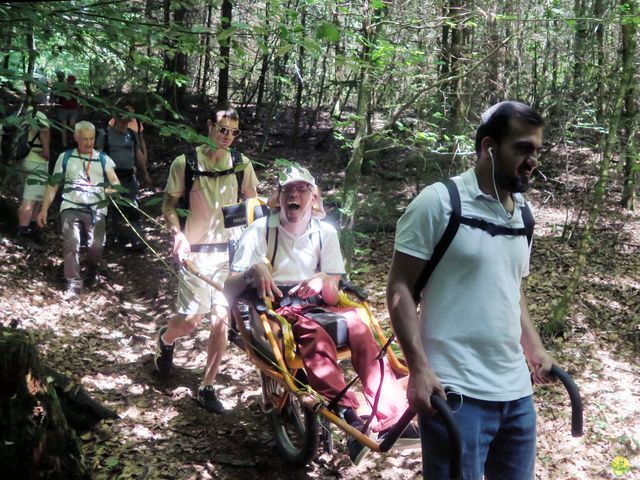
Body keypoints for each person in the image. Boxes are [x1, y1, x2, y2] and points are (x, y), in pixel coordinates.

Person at [386, 101, 556, 480]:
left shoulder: (522, 214)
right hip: (456, 394)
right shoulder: (438, 203)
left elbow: (511, 291)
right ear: (488, 148)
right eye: (523, 148)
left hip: (516, 395)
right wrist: (418, 369)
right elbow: (399, 287)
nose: (533, 161)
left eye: (537, 151)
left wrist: (535, 349)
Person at [224, 164, 420, 465]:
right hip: (277, 309)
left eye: (301, 189)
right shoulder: (259, 231)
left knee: (358, 320)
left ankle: (392, 417)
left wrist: (323, 280)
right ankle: (349, 415)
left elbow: (333, 286)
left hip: (319, 305)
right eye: (288, 189)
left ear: (313, 197)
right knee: (313, 334)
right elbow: (229, 288)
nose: (294, 195)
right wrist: (252, 270)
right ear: (279, 196)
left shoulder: (324, 232)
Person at [154, 106, 259, 414]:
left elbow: (252, 204)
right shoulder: (184, 163)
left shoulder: (241, 164)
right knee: (189, 321)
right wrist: (178, 235)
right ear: (210, 126)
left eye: (233, 132)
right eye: (222, 129)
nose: (227, 137)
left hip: (228, 255)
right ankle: (165, 338)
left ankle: (207, 386)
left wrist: (248, 239)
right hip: (195, 256)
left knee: (222, 317)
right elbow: (169, 205)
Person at [37, 121, 120, 299]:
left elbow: (115, 182)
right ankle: (73, 283)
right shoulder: (65, 157)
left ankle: (92, 269)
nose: (88, 143)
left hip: (96, 208)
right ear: (75, 137)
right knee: (71, 244)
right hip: (70, 205)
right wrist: (44, 209)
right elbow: (53, 185)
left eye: (91, 139)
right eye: (84, 139)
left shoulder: (103, 158)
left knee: (96, 245)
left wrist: (112, 190)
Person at [96, 99, 151, 250]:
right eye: (121, 121)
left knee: (133, 207)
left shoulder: (132, 135)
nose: (124, 124)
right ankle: (107, 238)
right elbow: (98, 155)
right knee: (109, 208)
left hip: (128, 176)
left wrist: (145, 172)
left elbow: (137, 153)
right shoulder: (105, 134)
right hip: (110, 176)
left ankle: (137, 240)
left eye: (127, 121)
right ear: (115, 119)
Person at [16, 103, 50, 250]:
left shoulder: (18, 114)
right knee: (31, 200)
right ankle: (24, 234)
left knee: (32, 197)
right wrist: (47, 151)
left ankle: (31, 230)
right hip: (36, 162)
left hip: (21, 161)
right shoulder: (39, 115)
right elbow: (44, 130)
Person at [57, 74, 80, 148]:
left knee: (72, 126)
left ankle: (72, 140)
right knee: (64, 127)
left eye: (73, 81)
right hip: (63, 109)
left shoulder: (76, 88)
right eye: (70, 81)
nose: (71, 82)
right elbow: (57, 95)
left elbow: (80, 96)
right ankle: (64, 144)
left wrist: (73, 90)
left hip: (73, 109)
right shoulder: (63, 88)